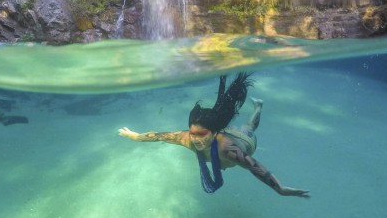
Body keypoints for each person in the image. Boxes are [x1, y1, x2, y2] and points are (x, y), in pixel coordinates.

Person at [118, 73, 309, 198]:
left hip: (244, 140)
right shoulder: (188, 139)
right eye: (193, 134)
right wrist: (136, 136)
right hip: (224, 137)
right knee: (242, 127)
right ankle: (256, 107)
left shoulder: (229, 150)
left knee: (249, 127)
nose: (196, 139)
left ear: (213, 132)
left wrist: (279, 188)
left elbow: (255, 167)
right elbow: (160, 135)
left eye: (201, 135)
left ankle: (258, 106)